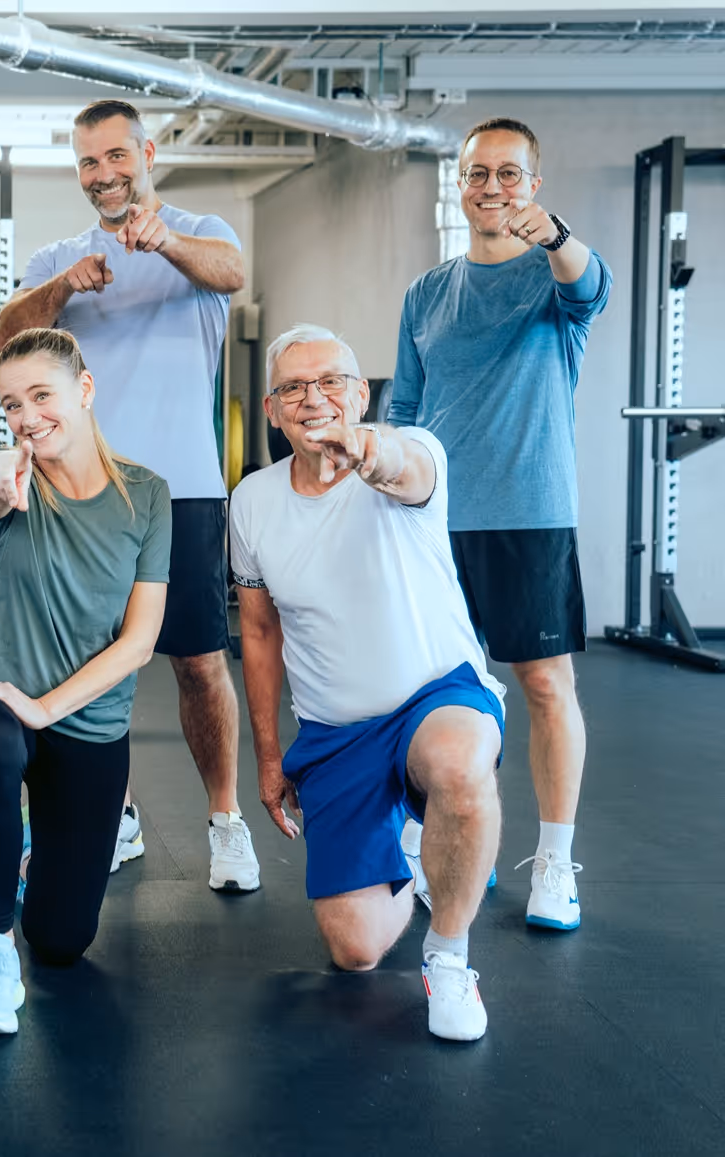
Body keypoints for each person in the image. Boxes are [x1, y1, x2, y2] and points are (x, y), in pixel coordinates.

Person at [0, 99, 257, 892]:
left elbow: (232, 275)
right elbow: (8, 332)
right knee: (93, 663)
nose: (103, 174)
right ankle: (122, 816)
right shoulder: (58, 256)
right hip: (84, 490)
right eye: (86, 162)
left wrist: (165, 241)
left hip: (182, 489)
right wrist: (65, 288)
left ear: (146, 152)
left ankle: (225, 819)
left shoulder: (203, 232)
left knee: (200, 663)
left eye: (115, 157)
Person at [232, 324, 504, 1041]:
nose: (311, 397)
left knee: (456, 762)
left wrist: (367, 449)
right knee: (354, 949)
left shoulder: (415, 455)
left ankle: (449, 958)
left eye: (329, 382)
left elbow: (404, 467)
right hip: (335, 730)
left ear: (360, 394)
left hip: (436, 693)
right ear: (271, 409)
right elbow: (259, 634)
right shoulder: (252, 501)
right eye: (293, 386)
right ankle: (418, 844)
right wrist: (267, 755)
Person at [388, 117, 611, 932]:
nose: (491, 187)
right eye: (478, 173)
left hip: (529, 512)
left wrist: (554, 237)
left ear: (534, 184)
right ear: (460, 182)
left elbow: (592, 284)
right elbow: (404, 405)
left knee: (546, 684)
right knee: (441, 692)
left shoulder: (556, 278)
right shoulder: (427, 291)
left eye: (509, 174)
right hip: (436, 519)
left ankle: (555, 859)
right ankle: (450, 840)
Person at [0, 328, 170, 1035]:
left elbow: (140, 641)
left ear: (84, 389)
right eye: (11, 404)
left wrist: (44, 707)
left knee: (63, 943)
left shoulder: (148, 497)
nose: (27, 415)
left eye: (42, 395)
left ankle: (34, 863)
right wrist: (1, 475)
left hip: (84, 722)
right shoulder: (11, 477)